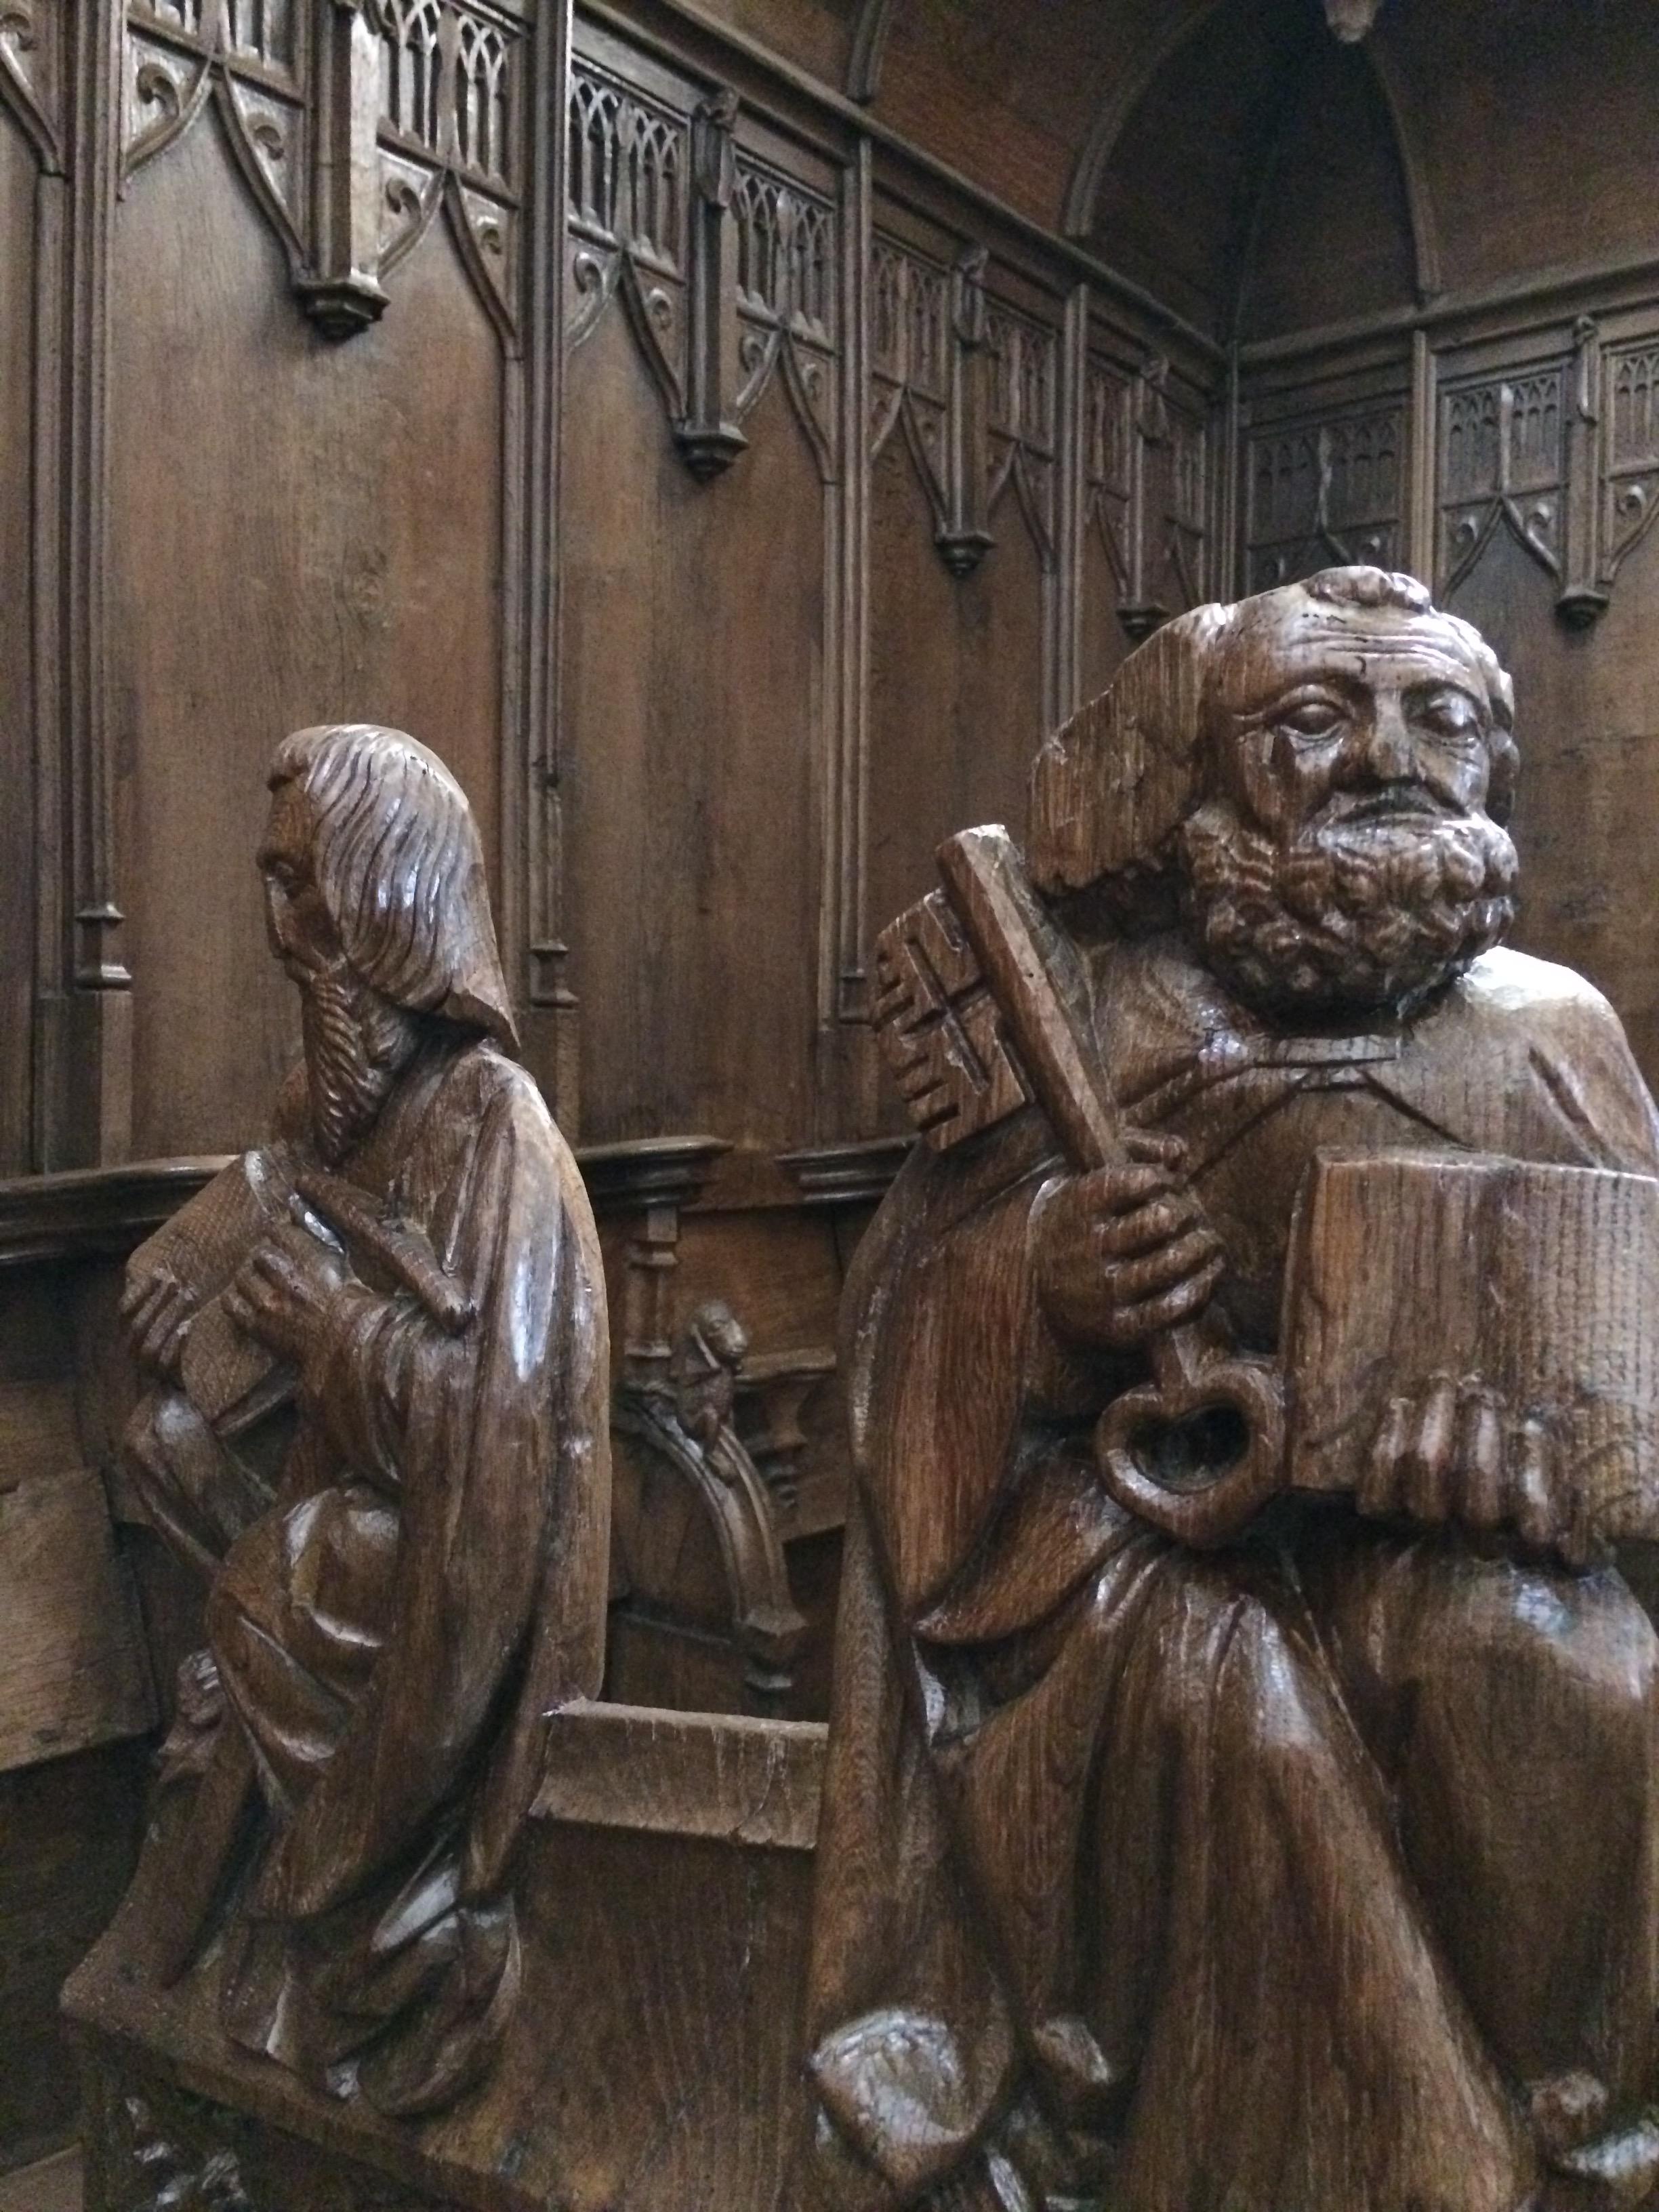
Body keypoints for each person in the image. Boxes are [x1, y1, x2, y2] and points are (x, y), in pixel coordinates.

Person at [807, 569, 1659, 2212]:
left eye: (1441, 719)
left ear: (1496, 764)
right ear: (1208, 771)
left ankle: (1580, 2143)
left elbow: (1635, 1362)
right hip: (1133, 1556)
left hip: (1446, 1552)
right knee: (1241, 1698)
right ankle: (1394, 2163)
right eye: (1314, 720)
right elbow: (903, 1334)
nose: (1388, 757)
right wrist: (1042, 1285)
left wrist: (1551, 1467)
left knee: (1563, 1670)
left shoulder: (1551, 1037)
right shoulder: (1111, 1021)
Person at [121, 723, 609, 2117]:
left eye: (304, 889)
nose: (284, 936)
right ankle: (280, 1904)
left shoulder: (496, 1132)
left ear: (386, 900)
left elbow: (505, 1446)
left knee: (301, 1564)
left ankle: (377, 1915)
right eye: (273, 887)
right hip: (368, 1516)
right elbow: (262, 1221)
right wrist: (196, 1291)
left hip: (461, 1583)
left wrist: (334, 1333)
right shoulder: (341, 1111)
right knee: (170, 1452)